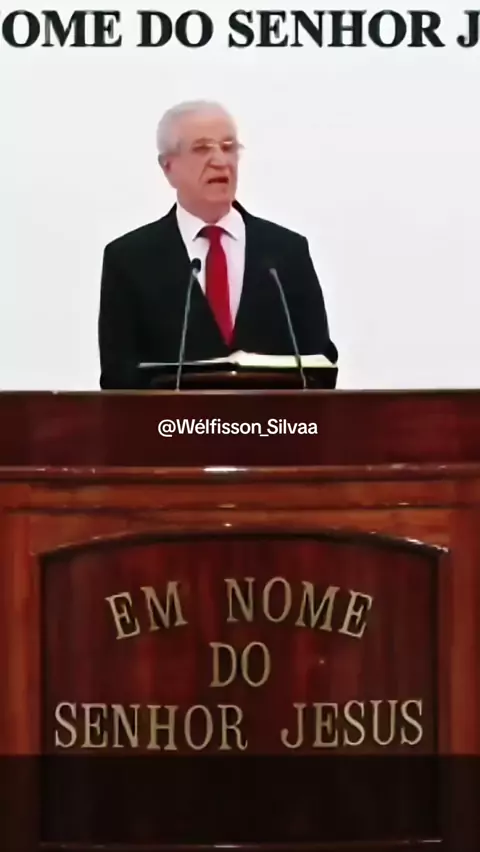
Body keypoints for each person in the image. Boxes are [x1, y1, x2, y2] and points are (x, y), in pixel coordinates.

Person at [98, 100, 337, 389]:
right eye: (202, 149)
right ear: (168, 167)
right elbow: (118, 378)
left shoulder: (286, 252)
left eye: (228, 147)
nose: (220, 161)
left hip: (273, 418)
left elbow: (321, 364)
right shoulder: (130, 259)